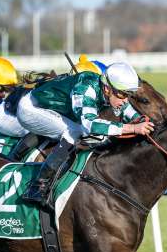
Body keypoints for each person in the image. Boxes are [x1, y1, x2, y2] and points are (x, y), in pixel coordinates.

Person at [17, 61, 155, 207]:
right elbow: (90, 124)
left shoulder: (109, 90)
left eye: (128, 95)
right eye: (122, 94)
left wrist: (138, 119)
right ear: (107, 88)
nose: (125, 100)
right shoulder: (85, 89)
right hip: (30, 110)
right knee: (75, 131)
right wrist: (132, 128)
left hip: (51, 109)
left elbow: (125, 109)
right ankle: (38, 187)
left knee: (91, 134)